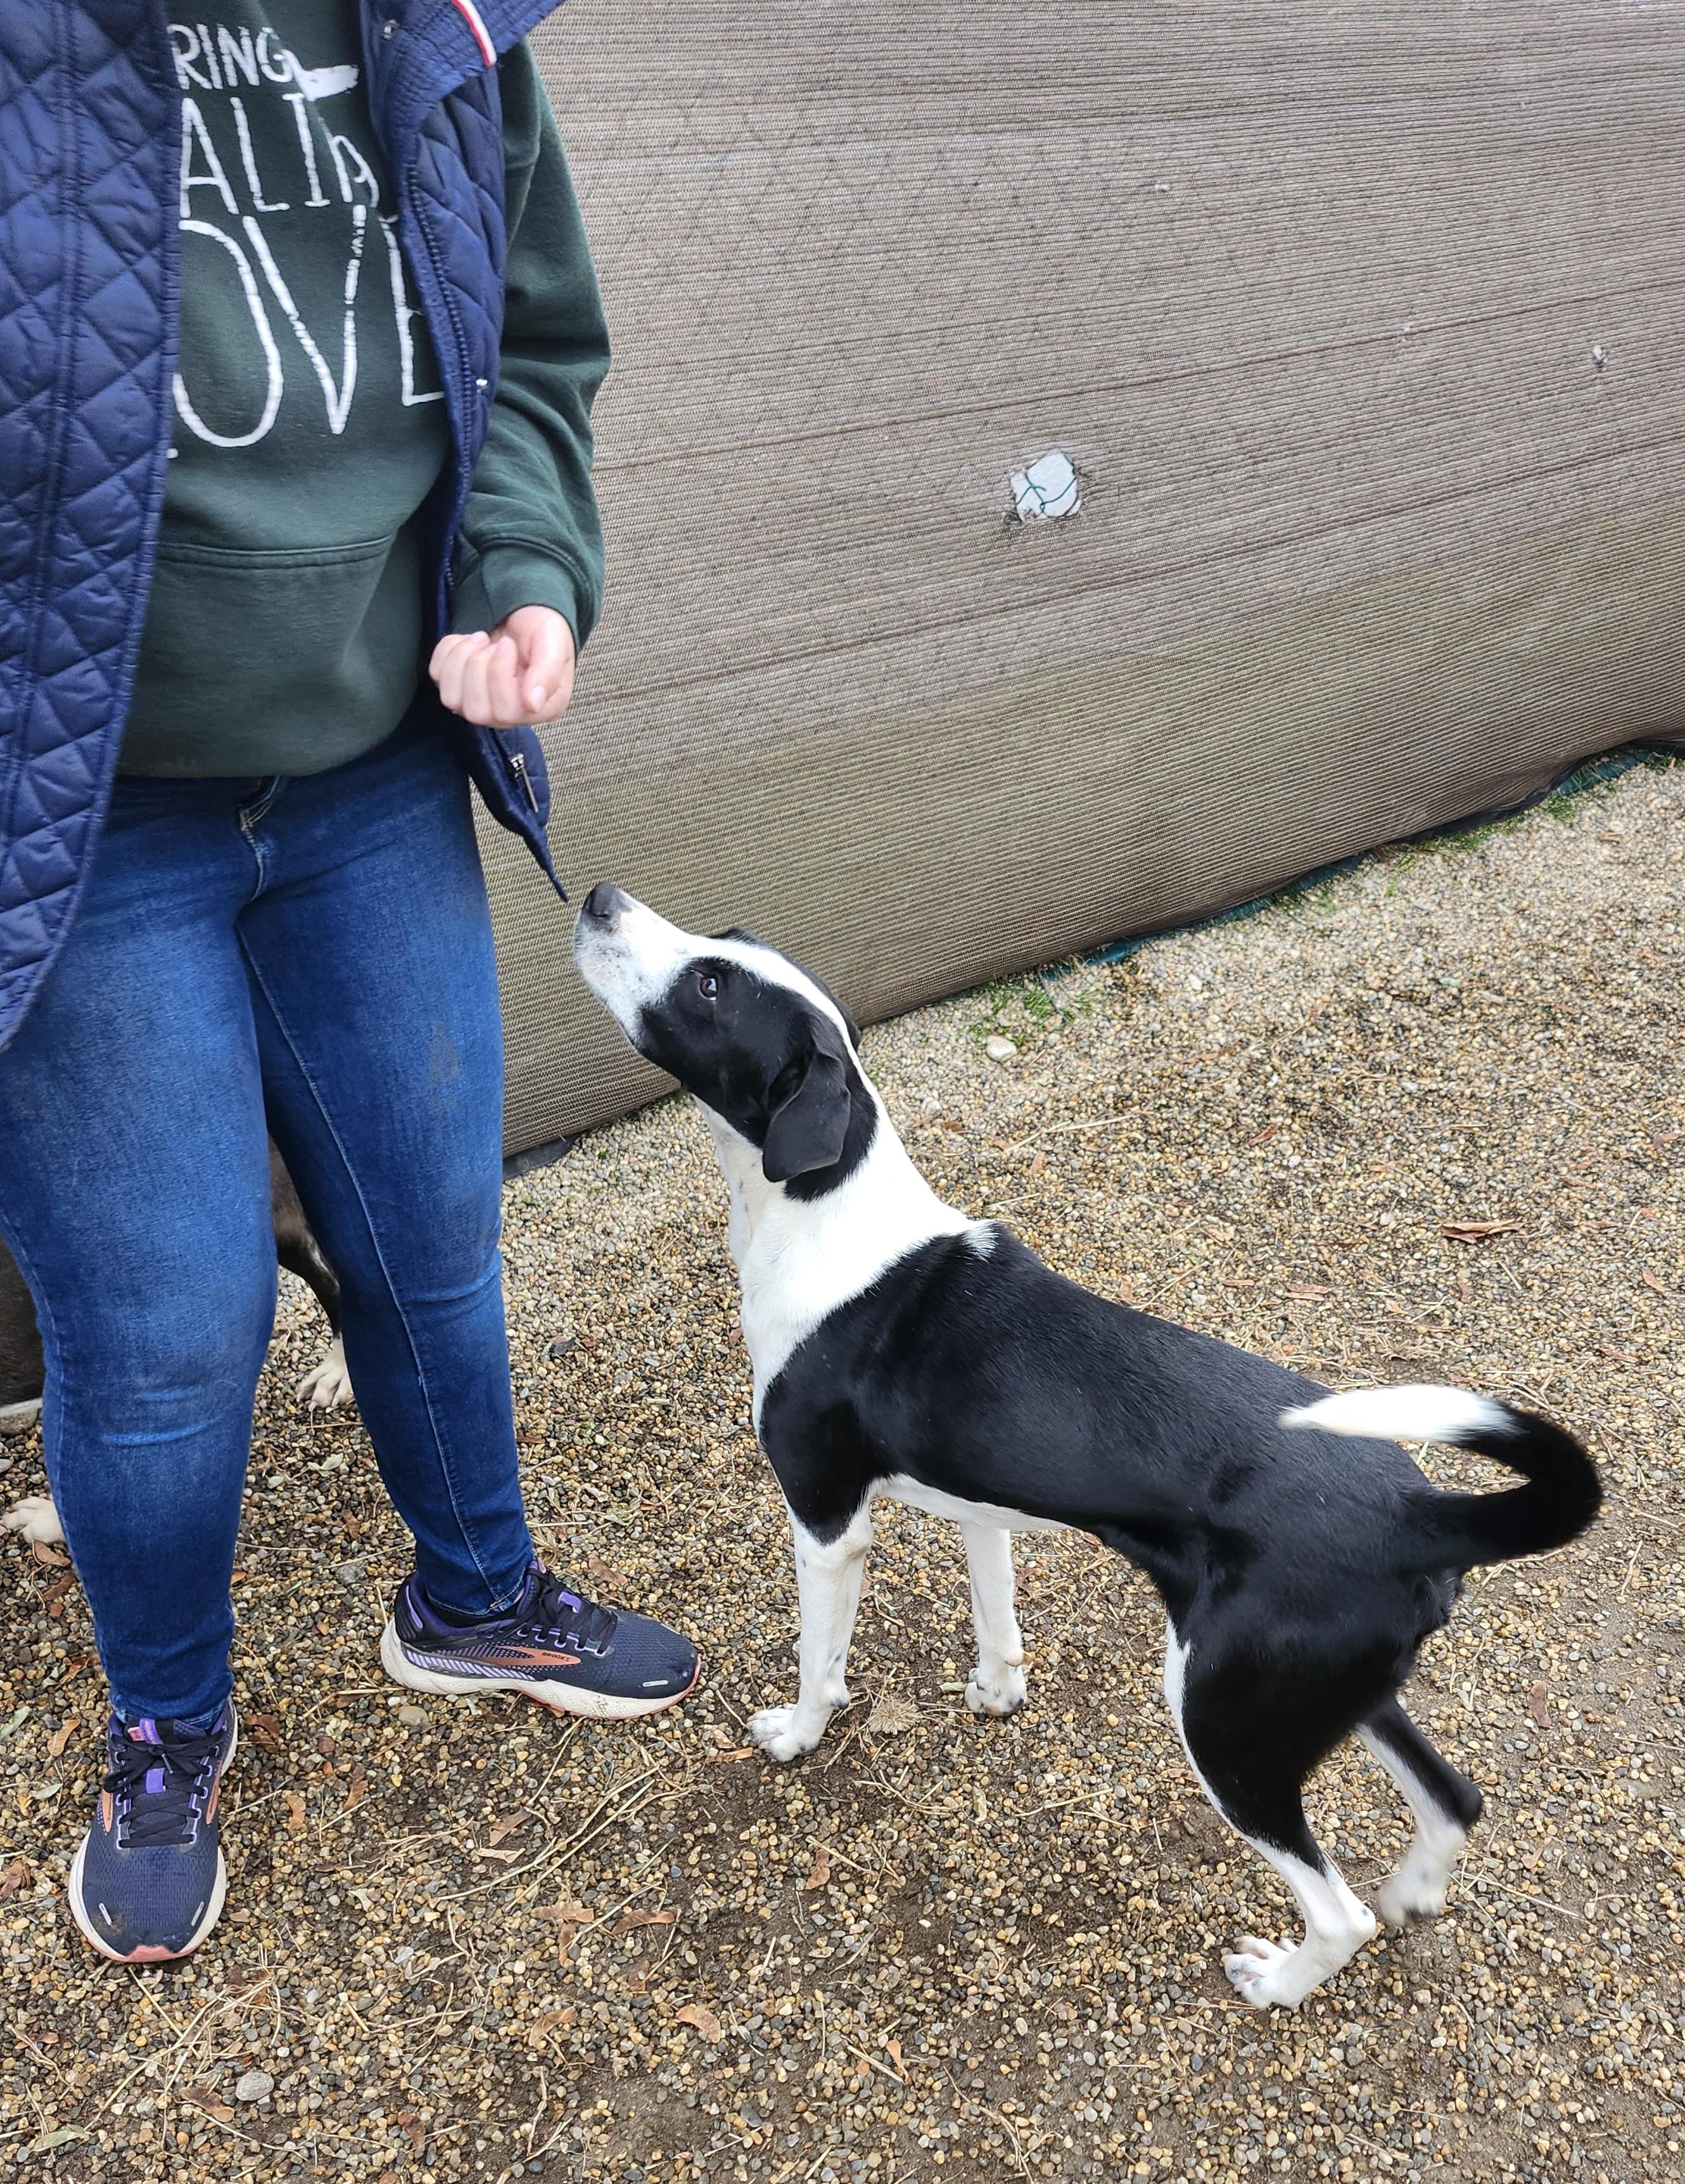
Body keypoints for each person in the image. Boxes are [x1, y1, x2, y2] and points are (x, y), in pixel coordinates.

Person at [0, 0, 697, 1965]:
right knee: (163, 1341)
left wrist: (524, 567)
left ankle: (473, 1600)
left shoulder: (455, 18)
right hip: (76, 825)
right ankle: (165, 1729)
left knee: (428, 1231)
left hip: (375, 773)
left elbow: (539, 349)